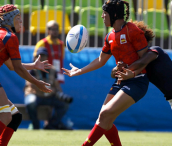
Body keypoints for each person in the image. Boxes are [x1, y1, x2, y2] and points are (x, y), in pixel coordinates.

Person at [62, 0, 150, 145]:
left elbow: (146, 58)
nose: (102, 16)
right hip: (121, 81)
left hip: (137, 81)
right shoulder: (110, 36)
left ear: (114, 14)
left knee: (104, 115)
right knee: (104, 119)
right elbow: (101, 60)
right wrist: (79, 71)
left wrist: (132, 73)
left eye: (105, 13)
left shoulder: (131, 30)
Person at [112, 20, 172, 138]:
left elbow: (142, 62)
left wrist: (125, 69)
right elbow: (130, 71)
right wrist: (119, 69)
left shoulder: (154, 51)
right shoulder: (137, 63)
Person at [0, 4, 52, 146]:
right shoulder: (10, 37)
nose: (22, 22)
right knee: (5, 116)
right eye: (19, 19)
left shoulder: (0, 34)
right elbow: (18, 69)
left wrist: (33, 66)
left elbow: (11, 65)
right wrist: (37, 83)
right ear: (10, 20)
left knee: (15, 117)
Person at [25, 47, 73, 130]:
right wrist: (43, 87)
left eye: (44, 56)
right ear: (36, 58)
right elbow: (30, 85)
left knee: (64, 104)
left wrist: (59, 94)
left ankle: (51, 125)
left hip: (49, 95)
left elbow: (57, 85)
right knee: (30, 103)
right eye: (39, 56)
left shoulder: (52, 70)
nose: (42, 58)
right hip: (36, 95)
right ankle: (36, 126)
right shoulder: (31, 68)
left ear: (47, 57)